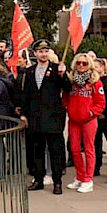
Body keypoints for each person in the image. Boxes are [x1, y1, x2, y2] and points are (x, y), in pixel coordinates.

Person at [19, 39, 70, 195]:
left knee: (55, 151)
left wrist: (63, 75)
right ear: (35, 54)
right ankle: (38, 179)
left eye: (46, 51)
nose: (43, 54)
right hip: (35, 117)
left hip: (53, 118)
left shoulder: (57, 69)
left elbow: (68, 88)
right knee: (37, 151)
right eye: (40, 51)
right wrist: (24, 114)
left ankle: (57, 182)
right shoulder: (30, 71)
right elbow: (26, 94)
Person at [63, 53, 105, 193]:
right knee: (74, 149)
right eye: (79, 63)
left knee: (89, 149)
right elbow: (65, 98)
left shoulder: (95, 81)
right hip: (74, 120)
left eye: (84, 63)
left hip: (89, 120)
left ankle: (88, 179)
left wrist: (91, 113)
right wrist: (68, 109)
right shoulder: (70, 80)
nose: (81, 65)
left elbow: (101, 102)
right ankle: (79, 177)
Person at [93, 58, 107, 178]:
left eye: (97, 67)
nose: (94, 69)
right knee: (95, 144)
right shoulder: (91, 81)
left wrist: (106, 112)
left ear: (103, 68)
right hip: (94, 117)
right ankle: (95, 167)